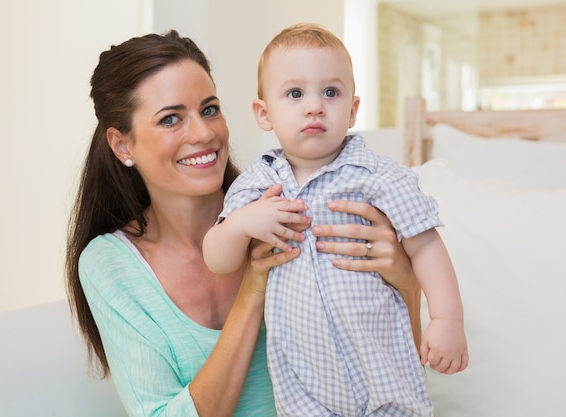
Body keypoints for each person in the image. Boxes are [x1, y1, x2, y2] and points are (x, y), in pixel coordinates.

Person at [66, 29, 423, 417]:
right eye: (171, 119)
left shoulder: (295, 210)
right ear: (122, 145)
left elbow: (396, 377)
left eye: (209, 110)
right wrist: (253, 288)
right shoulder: (111, 265)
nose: (204, 134)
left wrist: (407, 283)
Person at [203, 23, 468, 416]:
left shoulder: (379, 177)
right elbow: (217, 258)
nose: (315, 106)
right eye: (295, 93)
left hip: (384, 368)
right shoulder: (258, 184)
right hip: (305, 385)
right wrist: (241, 224)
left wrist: (447, 318)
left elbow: (426, 245)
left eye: (331, 92)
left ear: (352, 110)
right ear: (264, 114)